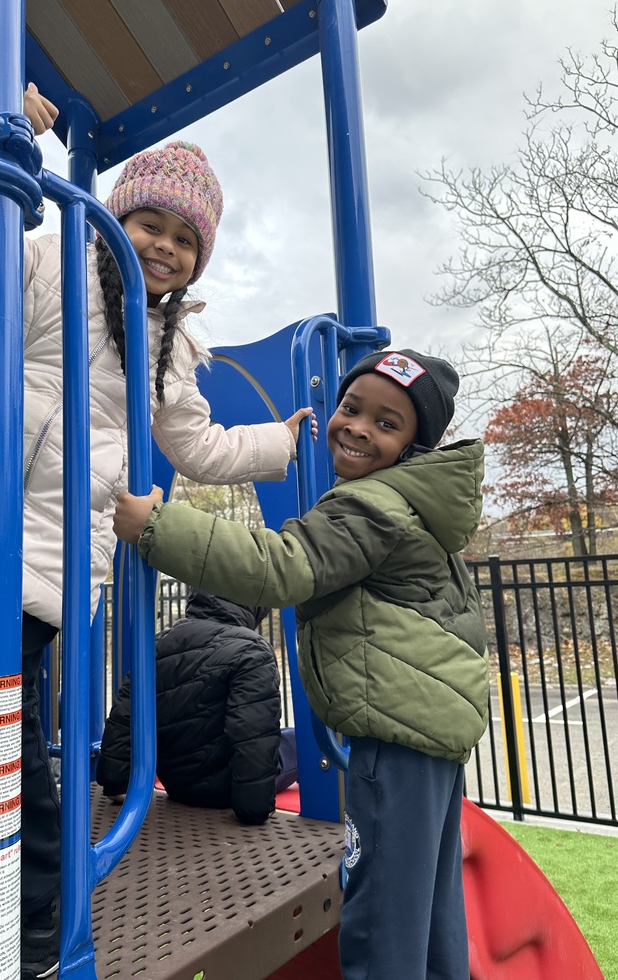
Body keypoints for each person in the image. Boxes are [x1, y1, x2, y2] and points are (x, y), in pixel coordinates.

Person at [0, 87, 315, 980]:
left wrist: (280, 444)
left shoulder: (170, 348)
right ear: (116, 219)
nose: (165, 248)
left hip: (48, 553)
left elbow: (198, 446)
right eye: (150, 225)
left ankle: (36, 912)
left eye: (185, 241)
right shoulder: (51, 259)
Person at [112, 348, 491, 980]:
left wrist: (157, 526)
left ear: (413, 445)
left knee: (380, 914)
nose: (359, 428)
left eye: (387, 423)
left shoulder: (371, 507)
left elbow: (279, 567)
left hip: (397, 735)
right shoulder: (415, 508)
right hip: (431, 731)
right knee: (427, 909)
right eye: (351, 408)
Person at [97, 588, 296, 824]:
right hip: (226, 791)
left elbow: (123, 718)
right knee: (301, 741)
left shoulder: (157, 646)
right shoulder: (251, 650)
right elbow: (251, 731)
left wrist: (116, 783)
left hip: (176, 785)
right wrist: (255, 807)